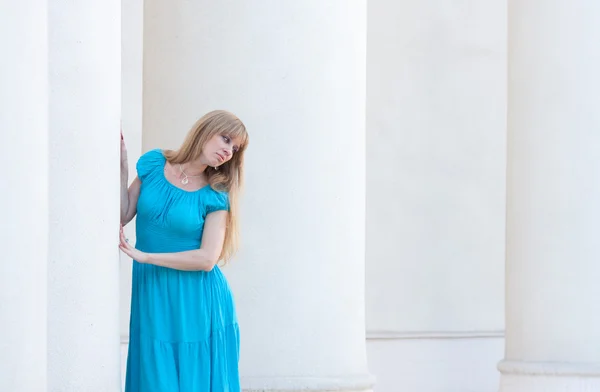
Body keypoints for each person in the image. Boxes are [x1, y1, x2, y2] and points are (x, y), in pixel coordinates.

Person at [119, 110, 249, 391]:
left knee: (193, 380)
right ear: (205, 131)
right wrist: (123, 167)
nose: (228, 151)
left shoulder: (216, 194)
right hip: (153, 289)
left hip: (196, 298)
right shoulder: (153, 164)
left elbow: (206, 259)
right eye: (225, 139)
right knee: (156, 376)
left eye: (234, 148)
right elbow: (124, 212)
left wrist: (146, 257)